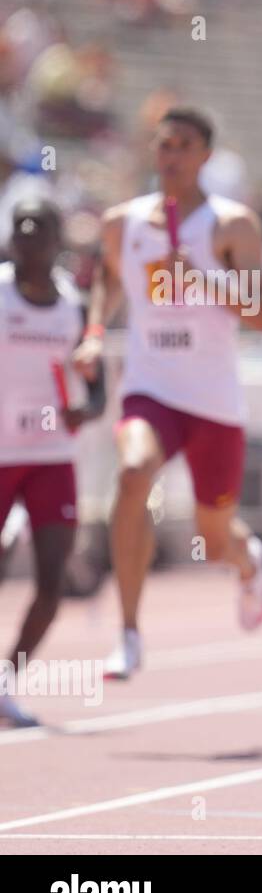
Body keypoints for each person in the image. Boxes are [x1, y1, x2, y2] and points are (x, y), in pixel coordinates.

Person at [73, 106, 262, 680]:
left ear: (206, 156)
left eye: (184, 145)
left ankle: (245, 562)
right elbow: (108, 283)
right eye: (164, 145)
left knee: (213, 541)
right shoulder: (124, 222)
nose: (171, 156)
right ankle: (130, 632)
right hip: (151, 387)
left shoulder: (231, 226)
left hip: (213, 401)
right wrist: (94, 335)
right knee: (133, 472)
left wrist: (203, 277)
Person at [0, 198, 105, 726]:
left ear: (57, 237)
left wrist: (81, 410)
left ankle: (4, 683)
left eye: (37, 225)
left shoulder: (75, 306)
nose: (24, 233)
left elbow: (98, 394)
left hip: (50, 458)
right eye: (18, 224)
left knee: (51, 581)